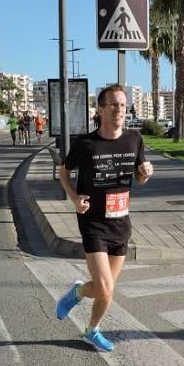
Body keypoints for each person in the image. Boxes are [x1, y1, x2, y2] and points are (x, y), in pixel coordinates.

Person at [56, 84, 154, 352]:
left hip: (121, 223)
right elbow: (63, 171)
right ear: (100, 109)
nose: (119, 110)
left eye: (122, 105)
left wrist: (146, 172)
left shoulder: (134, 139)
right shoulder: (86, 144)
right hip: (94, 223)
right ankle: (75, 294)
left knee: (107, 290)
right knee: (103, 285)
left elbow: (140, 178)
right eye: (112, 105)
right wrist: (75, 198)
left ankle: (92, 330)